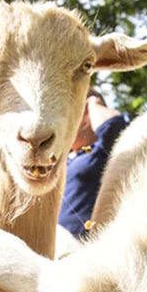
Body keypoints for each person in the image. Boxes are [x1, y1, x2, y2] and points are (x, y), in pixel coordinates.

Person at [58, 88, 130, 238]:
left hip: (84, 247)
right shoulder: (64, 158)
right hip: (53, 249)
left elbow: (115, 126)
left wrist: (93, 102)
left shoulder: (104, 149)